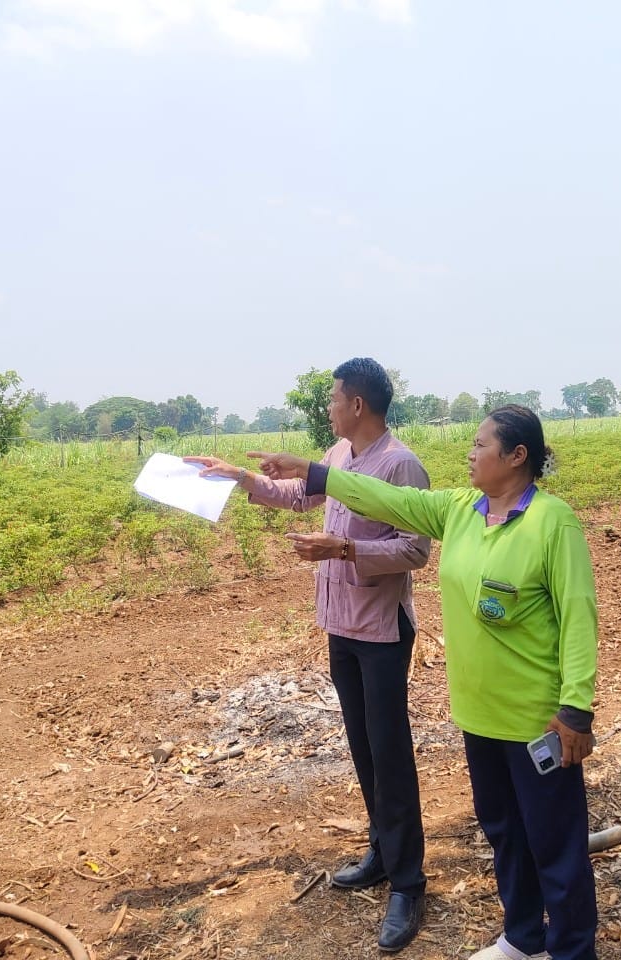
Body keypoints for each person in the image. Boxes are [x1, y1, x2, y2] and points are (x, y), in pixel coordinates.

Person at [251, 405, 599, 960]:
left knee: (555, 847)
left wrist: (575, 709)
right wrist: (314, 473)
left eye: (481, 444)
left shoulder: (552, 522)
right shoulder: (462, 510)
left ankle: (572, 951)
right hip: (478, 712)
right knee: (503, 830)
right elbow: (389, 499)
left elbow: (579, 617)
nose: (470, 452)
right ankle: (523, 937)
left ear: (517, 456)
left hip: (537, 718)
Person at [185, 358, 431, 953]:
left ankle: (409, 883)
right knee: (363, 744)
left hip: (380, 627)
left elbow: (416, 549)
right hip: (341, 624)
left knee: (390, 750)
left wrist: (343, 548)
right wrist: (238, 476)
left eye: (333, 398)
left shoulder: (401, 465)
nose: (328, 406)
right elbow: (297, 494)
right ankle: (381, 847)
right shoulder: (340, 455)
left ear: (359, 406)